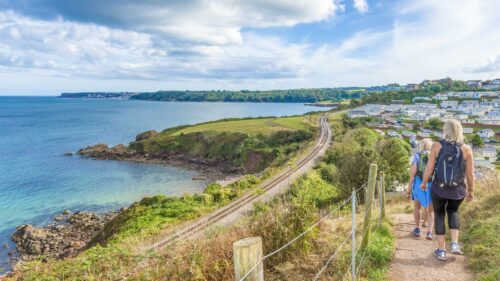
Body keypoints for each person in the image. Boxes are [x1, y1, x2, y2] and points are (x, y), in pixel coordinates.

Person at [420, 119, 475, 261]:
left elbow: (430, 167)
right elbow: (470, 174)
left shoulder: (437, 146)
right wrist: (471, 191)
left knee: (439, 214)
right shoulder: (467, 149)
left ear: (445, 130)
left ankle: (442, 251)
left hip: (439, 188)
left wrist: (425, 182)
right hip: (458, 190)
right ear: (460, 131)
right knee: (453, 211)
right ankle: (455, 244)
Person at [406, 138, 434, 240]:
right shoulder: (434, 156)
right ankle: (430, 232)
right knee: (431, 211)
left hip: (419, 184)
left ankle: (417, 229)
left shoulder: (417, 156)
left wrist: (408, 191)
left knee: (417, 207)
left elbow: (412, 175)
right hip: (431, 185)